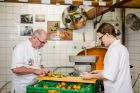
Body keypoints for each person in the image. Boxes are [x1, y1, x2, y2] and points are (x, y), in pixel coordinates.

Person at [81, 23, 133, 93]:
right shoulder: (121, 48)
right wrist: (100, 71)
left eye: (100, 38)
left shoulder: (114, 50)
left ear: (107, 35)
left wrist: (90, 76)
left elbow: (109, 76)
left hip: (117, 90)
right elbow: (115, 70)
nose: (100, 41)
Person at [11, 29, 50, 93]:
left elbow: (38, 65)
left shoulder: (37, 49)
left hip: (33, 87)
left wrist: (43, 70)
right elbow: (15, 69)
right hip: (22, 88)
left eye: (45, 42)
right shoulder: (21, 47)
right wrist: (34, 71)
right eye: (42, 42)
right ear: (34, 37)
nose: (43, 45)